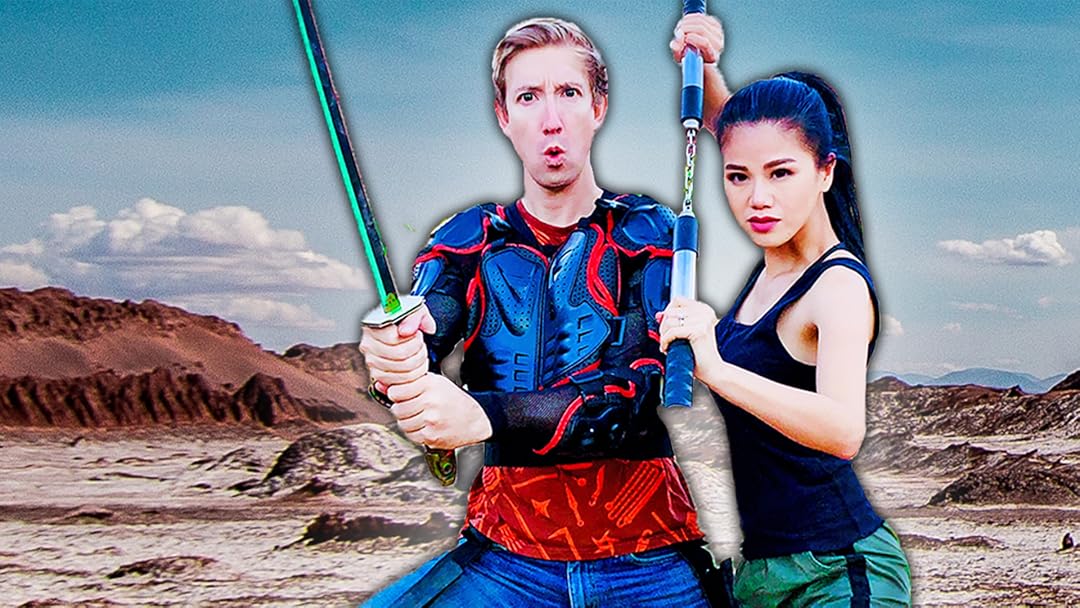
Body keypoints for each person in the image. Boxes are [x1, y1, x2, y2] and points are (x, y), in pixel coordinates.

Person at [358, 16, 733, 607]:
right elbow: (426, 326)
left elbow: (632, 396)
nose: (550, 119)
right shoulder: (466, 239)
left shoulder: (647, 231)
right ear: (503, 115)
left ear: (598, 107)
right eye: (529, 97)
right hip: (503, 560)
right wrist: (395, 358)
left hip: (647, 560)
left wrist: (482, 415)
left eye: (569, 93)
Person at [660, 14, 913, 608]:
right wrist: (704, 62)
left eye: (781, 174)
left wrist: (716, 369)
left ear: (825, 171)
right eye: (738, 178)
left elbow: (843, 430)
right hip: (765, 573)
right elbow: (740, 132)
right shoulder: (775, 267)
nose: (758, 198)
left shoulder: (836, 285)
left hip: (838, 573)